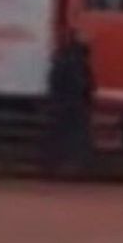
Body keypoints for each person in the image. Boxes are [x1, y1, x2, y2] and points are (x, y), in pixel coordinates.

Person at [44, 28, 95, 177]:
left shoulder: (64, 57)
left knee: (61, 134)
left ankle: (58, 164)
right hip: (73, 104)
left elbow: (54, 80)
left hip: (65, 103)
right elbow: (84, 83)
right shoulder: (76, 60)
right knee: (74, 136)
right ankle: (70, 165)